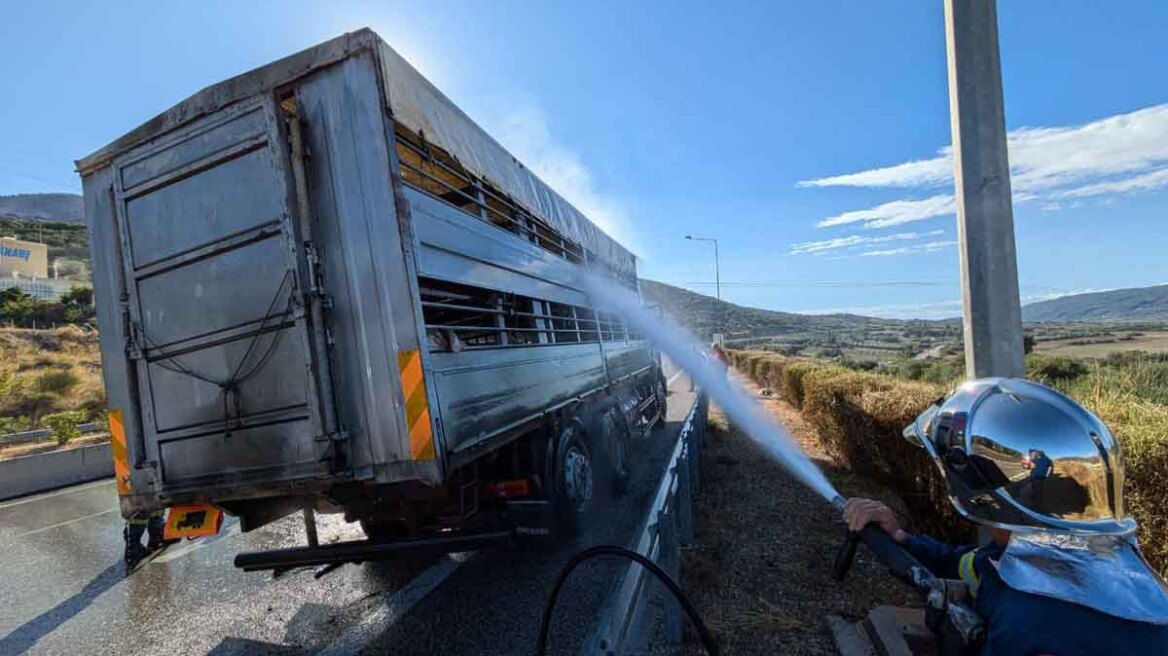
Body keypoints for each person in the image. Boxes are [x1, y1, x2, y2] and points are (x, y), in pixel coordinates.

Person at [844, 377, 1168, 656]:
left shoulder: (1029, 623)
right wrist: (901, 539)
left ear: (979, 496)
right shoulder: (1064, 556)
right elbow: (971, 565)